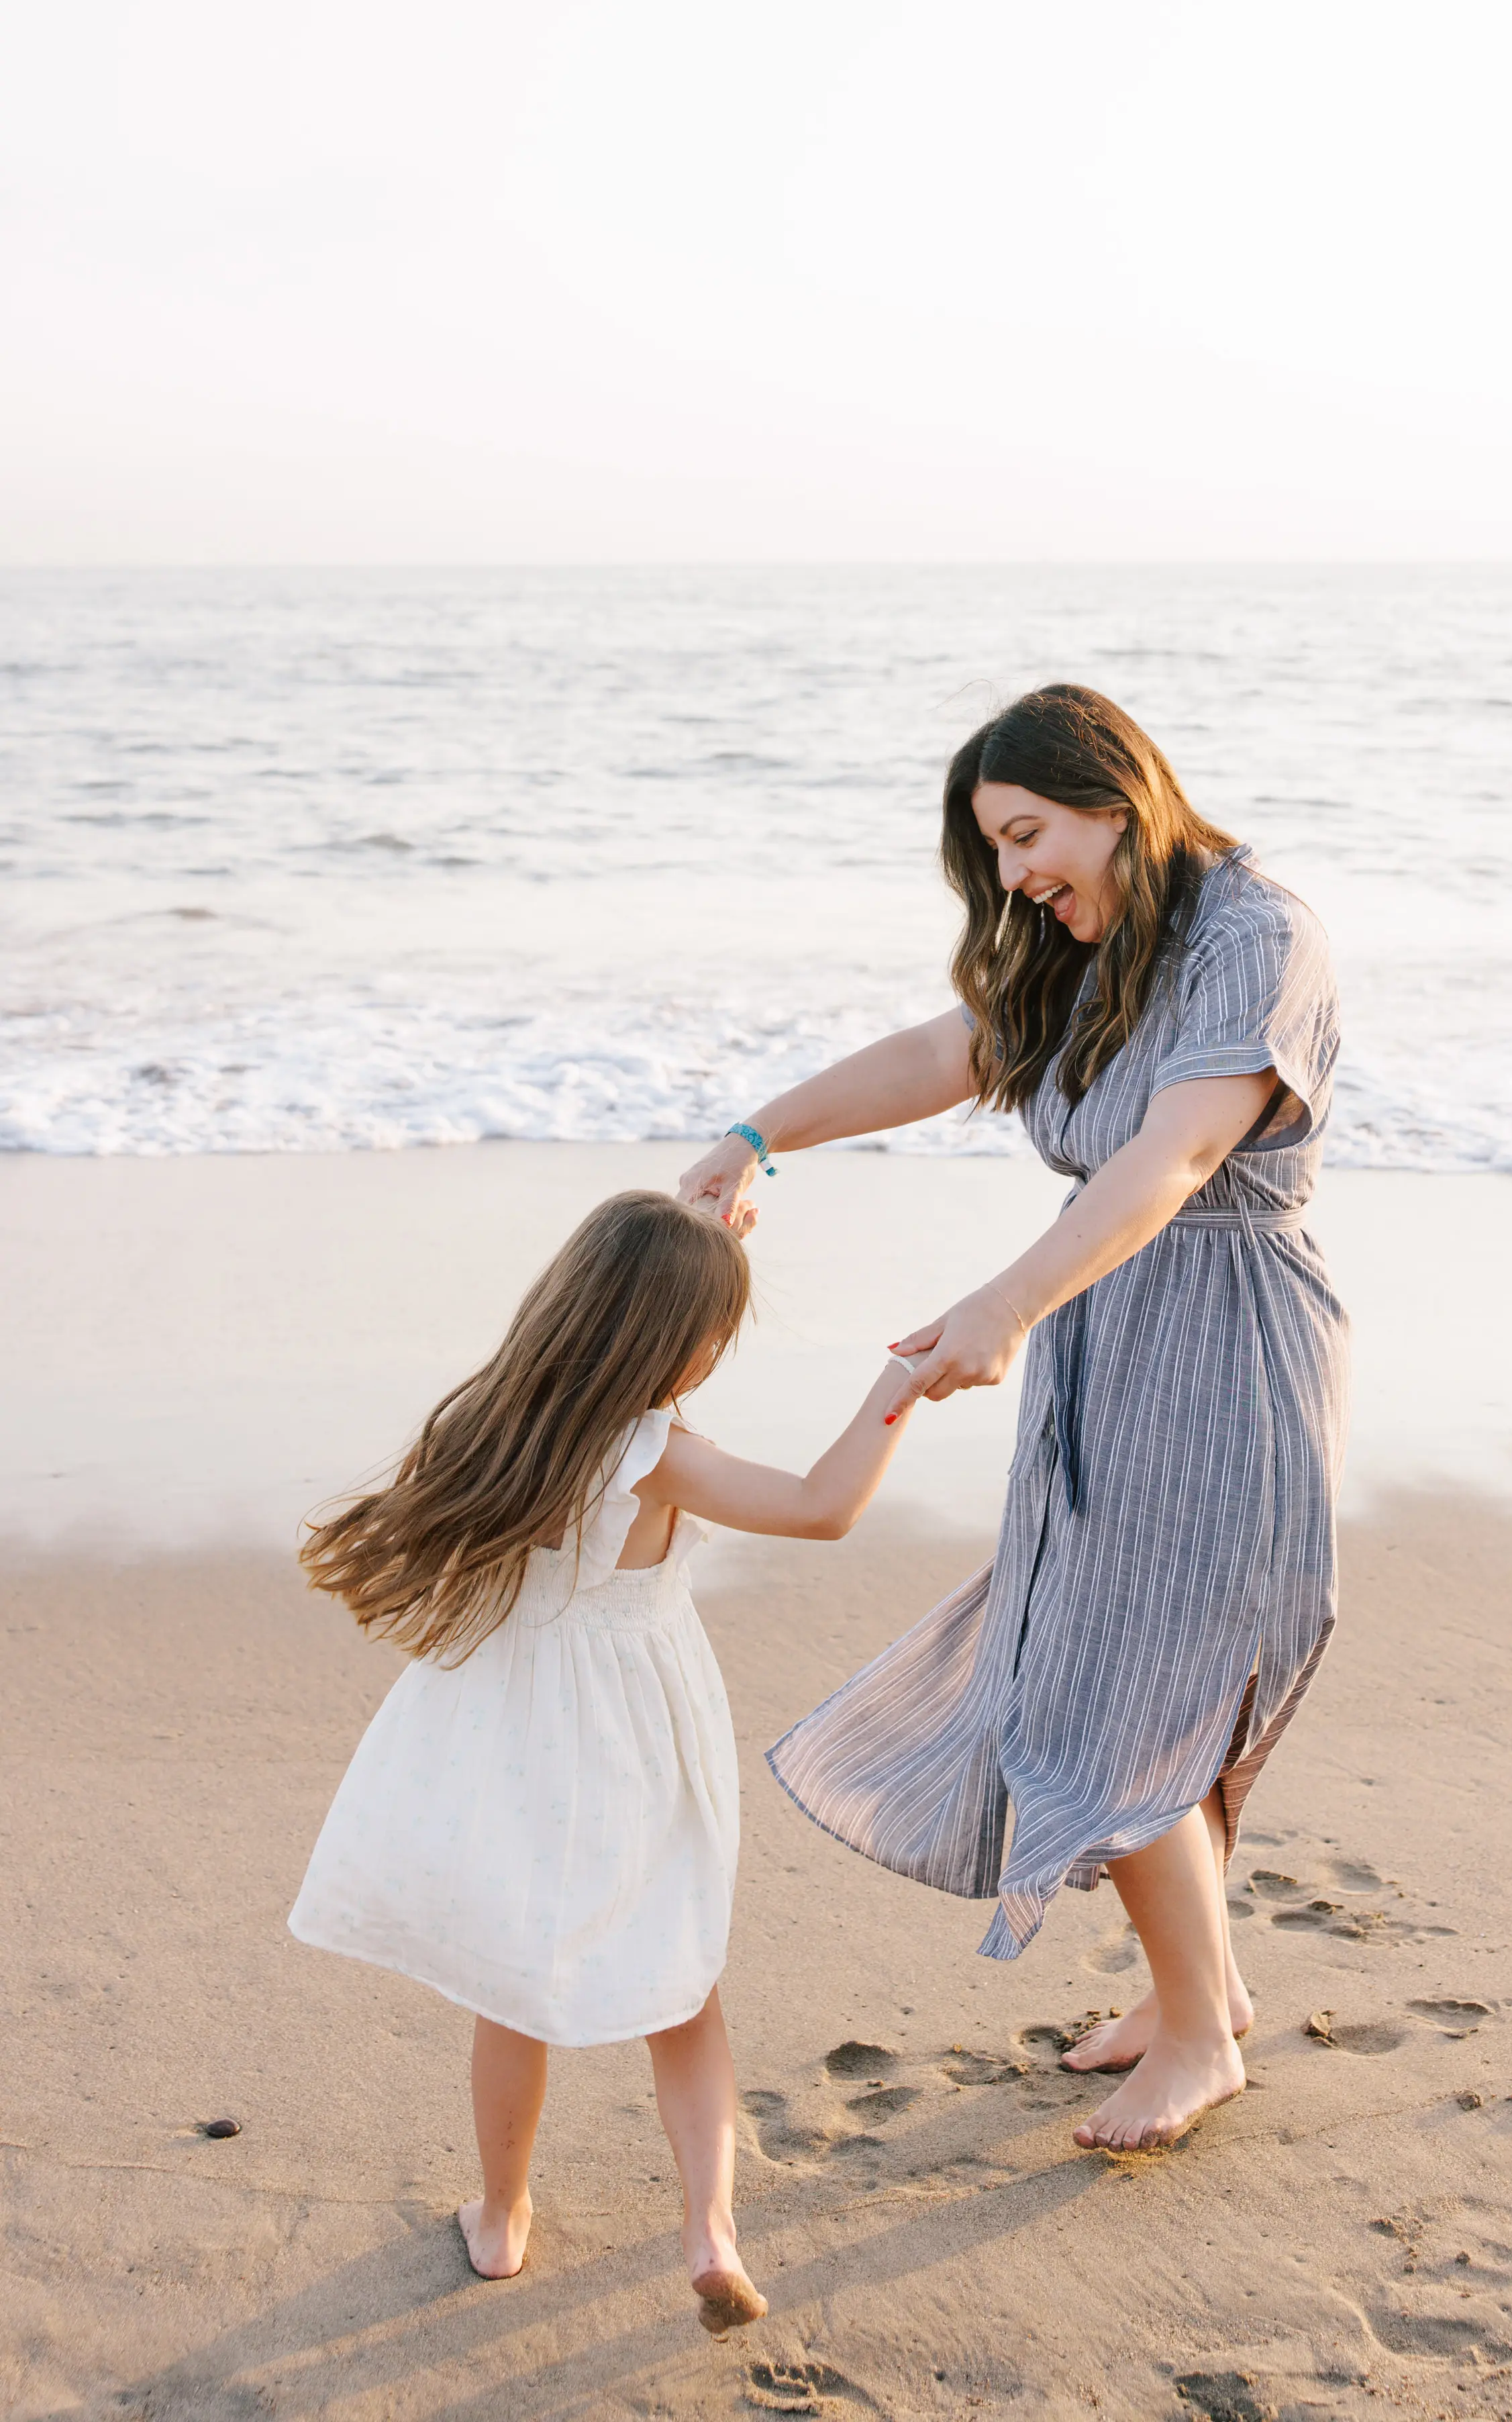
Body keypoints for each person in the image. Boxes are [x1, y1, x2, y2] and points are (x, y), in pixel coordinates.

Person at [679, 684, 1348, 2155]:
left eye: (1028, 835)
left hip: (1221, 1339)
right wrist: (750, 1135)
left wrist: (1002, 1303)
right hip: (1101, 1328)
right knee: (1092, 1662)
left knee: (1116, 1687)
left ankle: (1191, 2036)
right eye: (991, 849)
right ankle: (1206, 1990)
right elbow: (941, 1052)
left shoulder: (1253, 936)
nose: (1012, 876)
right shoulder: (1076, 941)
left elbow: (1174, 1157)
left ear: (1116, 798)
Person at [289, 1189, 917, 2319]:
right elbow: (824, 1508)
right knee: (681, 1987)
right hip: (632, 1732)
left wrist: (704, 1254)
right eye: (716, 1330)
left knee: (510, 1988)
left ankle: (501, 2218)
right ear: (676, 1341)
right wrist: (900, 1385)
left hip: (512, 1734)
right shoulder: (657, 1452)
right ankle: (712, 2230)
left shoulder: (494, 1420)